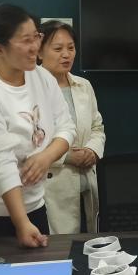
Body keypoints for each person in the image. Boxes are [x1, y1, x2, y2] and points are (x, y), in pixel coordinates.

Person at [0, 4, 75, 248]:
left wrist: (46, 157)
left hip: (36, 205)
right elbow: (1, 161)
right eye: (26, 40)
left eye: (36, 37)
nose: (35, 47)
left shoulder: (41, 77)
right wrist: (21, 223)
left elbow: (66, 127)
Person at [38, 19, 105, 233]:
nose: (66, 55)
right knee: (60, 244)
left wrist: (92, 151)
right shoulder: (32, 88)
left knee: (90, 240)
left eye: (71, 48)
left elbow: (97, 127)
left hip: (87, 181)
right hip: (53, 184)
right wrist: (65, 156)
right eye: (58, 49)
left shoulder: (83, 85)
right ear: (39, 52)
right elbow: (29, 141)